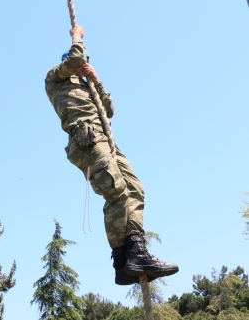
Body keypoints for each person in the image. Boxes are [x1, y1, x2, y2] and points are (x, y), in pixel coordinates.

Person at [45, 25, 178, 286]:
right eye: (79, 63)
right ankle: (132, 255)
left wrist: (96, 81)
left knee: (135, 189)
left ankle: (125, 259)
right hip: (87, 141)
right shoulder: (55, 80)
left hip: (105, 141)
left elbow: (110, 110)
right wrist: (77, 38)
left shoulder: (87, 87)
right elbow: (76, 59)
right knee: (116, 191)